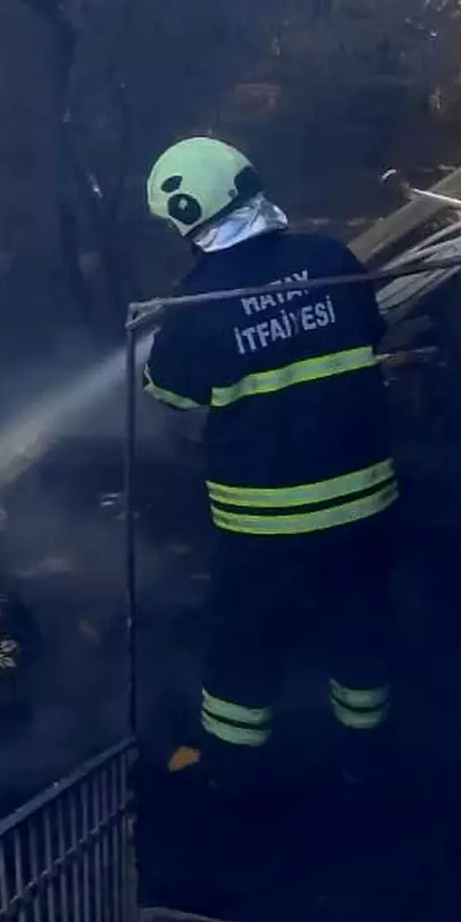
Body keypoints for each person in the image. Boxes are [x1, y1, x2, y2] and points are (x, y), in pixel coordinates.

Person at [142, 136, 396, 792]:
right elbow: (371, 332)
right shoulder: (331, 259)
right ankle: (366, 758)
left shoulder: (195, 306)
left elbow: (171, 392)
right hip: (365, 498)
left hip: (262, 519)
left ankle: (233, 776)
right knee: (359, 619)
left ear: (183, 215)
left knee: (244, 641)